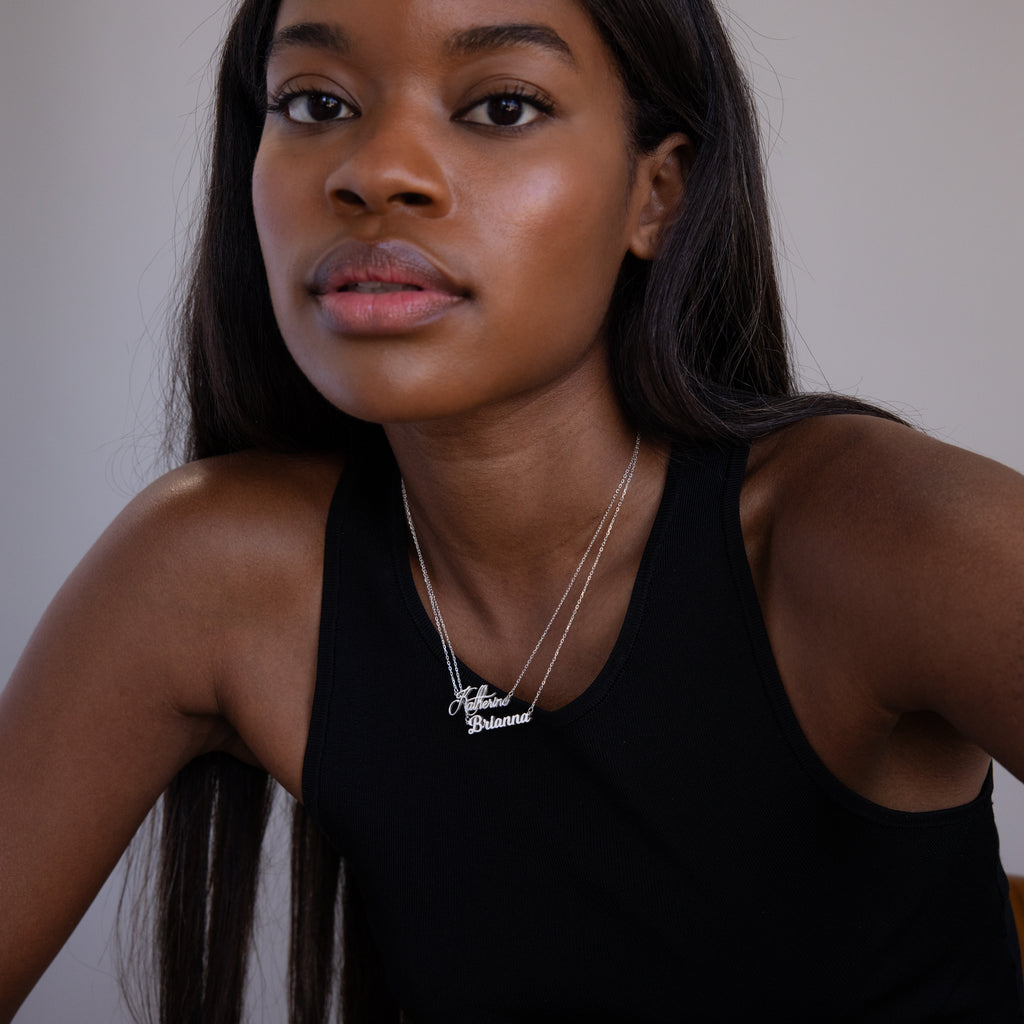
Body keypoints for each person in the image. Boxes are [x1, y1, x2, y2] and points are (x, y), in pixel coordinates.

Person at [2, 0, 1023, 1020]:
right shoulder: (219, 574)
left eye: (499, 107)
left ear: (655, 194)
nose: (374, 171)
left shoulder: (882, 532)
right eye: (316, 101)